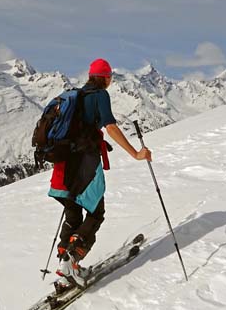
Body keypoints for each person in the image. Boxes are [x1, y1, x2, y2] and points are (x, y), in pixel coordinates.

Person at [48, 58, 152, 288]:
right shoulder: (99, 95)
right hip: (84, 164)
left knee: (72, 213)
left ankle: (65, 265)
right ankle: (72, 260)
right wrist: (136, 153)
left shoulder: (75, 95)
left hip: (63, 164)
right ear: (105, 77)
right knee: (96, 212)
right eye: (109, 76)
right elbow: (111, 126)